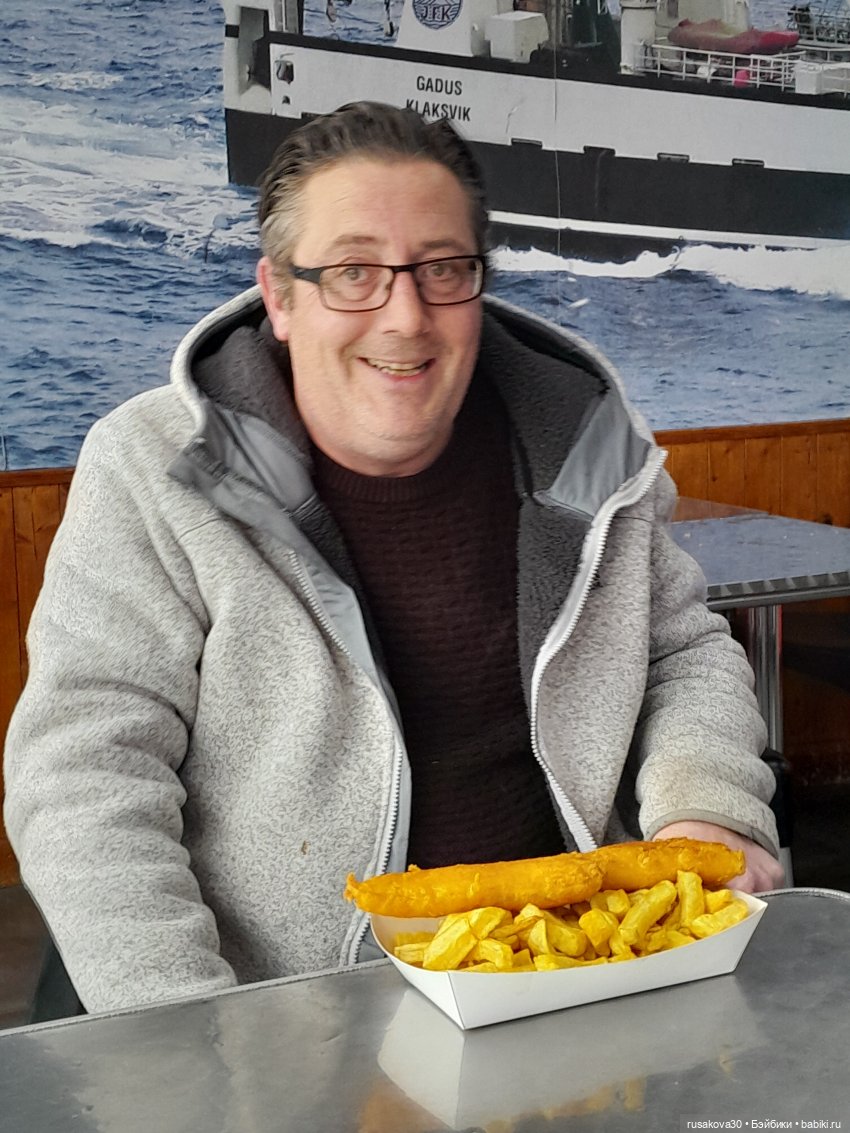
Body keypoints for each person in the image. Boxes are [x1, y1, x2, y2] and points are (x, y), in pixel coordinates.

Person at [3, 101, 783, 1015]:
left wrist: (708, 804)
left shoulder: (591, 446)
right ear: (280, 296)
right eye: (353, 273)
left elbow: (679, 652)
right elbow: (87, 776)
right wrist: (187, 1031)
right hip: (284, 1014)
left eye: (443, 268)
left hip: (580, 984)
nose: (406, 317)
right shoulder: (152, 464)